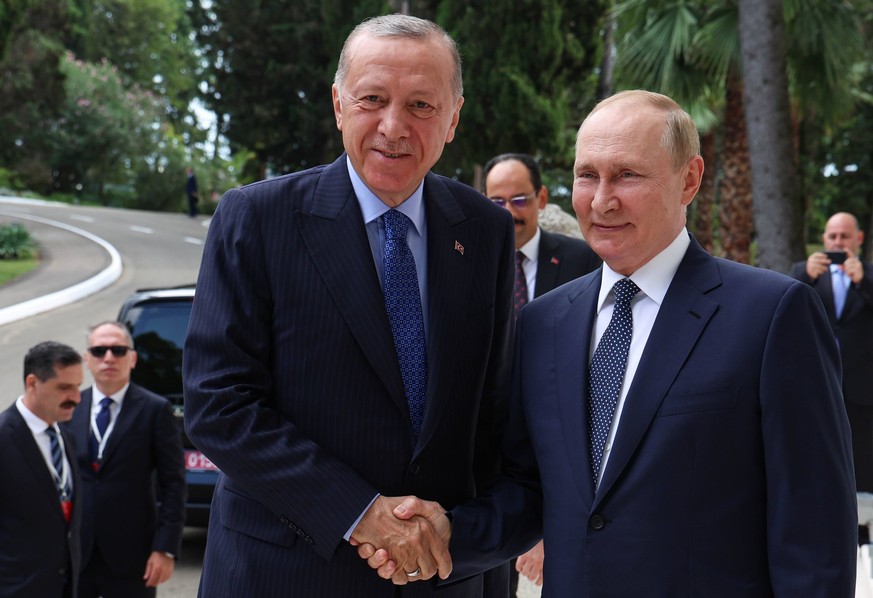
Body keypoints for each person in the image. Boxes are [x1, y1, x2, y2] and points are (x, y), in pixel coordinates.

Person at [366, 90, 858, 596]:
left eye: (627, 175)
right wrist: (447, 534)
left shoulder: (773, 314)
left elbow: (814, 527)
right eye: (587, 175)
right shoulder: (541, 323)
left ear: (689, 179)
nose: (602, 200)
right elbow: (531, 490)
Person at [182, 13, 515, 597]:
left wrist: (478, 556)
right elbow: (219, 405)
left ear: (454, 118)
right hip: (283, 576)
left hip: (440, 577)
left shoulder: (484, 230)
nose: (394, 126)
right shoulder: (257, 218)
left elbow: (491, 417)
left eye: (421, 105)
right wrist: (361, 512)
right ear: (339, 105)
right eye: (373, 99)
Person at [483, 152, 600, 591]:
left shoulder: (581, 259)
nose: (509, 213)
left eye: (518, 200)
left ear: (541, 198)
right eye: (496, 202)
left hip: (554, 433)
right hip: (487, 451)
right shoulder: (467, 262)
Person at [63, 321, 186, 598]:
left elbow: (174, 484)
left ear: (132, 358)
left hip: (133, 557)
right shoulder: (70, 408)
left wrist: (165, 548)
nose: (108, 358)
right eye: (99, 350)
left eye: (118, 350)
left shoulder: (155, 410)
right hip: (75, 555)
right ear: (87, 359)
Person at [789, 212, 873, 542]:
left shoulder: (868, 275)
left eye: (845, 237)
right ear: (824, 239)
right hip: (817, 386)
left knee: (863, 461)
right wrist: (807, 278)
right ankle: (824, 529)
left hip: (862, 391)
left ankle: (863, 535)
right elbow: (784, 310)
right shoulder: (802, 274)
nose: (838, 243)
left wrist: (863, 280)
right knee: (819, 458)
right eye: (833, 237)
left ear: (859, 239)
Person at [0, 341, 84, 597]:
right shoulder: (3, 438)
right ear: (32, 383)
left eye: (78, 387)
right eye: (64, 388)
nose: (76, 398)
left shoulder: (66, 436)